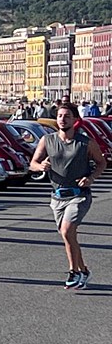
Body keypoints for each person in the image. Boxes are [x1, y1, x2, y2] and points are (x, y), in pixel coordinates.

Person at [30, 102, 106, 289]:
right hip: (57, 197)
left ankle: (74, 272)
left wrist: (91, 178)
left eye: (66, 116)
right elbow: (32, 163)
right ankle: (84, 270)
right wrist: (40, 167)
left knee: (66, 231)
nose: (62, 119)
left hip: (79, 195)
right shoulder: (47, 140)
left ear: (75, 120)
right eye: (60, 116)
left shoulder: (85, 142)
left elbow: (101, 163)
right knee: (69, 236)